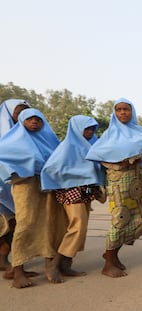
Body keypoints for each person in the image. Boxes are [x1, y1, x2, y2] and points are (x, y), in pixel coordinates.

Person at [86, 98, 142, 278]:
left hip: (138, 180)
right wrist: (122, 160)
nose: (123, 112)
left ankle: (114, 256)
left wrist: (138, 158)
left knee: (140, 216)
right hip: (119, 182)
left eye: (126, 109)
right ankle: (108, 263)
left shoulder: (141, 133)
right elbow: (97, 155)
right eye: (119, 109)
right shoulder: (109, 136)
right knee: (120, 218)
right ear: (114, 113)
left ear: (132, 111)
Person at [0, 108, 66, 288]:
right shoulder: (10, 142)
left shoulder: (50, 141)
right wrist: (26, 169)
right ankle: (18, 271)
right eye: (30, 119)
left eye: (38, 119)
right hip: (25, 186)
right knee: (25, 224)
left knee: (48, 223)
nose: (34, 121)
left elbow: (60, 160)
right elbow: (4, 162)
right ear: (22, 121)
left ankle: (48, 264)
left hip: (47, 187)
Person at [40, 115, 105, 278]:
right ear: (77, 128)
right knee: (78, 225)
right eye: (87, 129)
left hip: (88, 190)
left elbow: (96, 172)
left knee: (82, 227)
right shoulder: (67, 147)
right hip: (71, 190)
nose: (90, 132)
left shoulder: (93, 147)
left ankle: (66, 264)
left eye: (92, 129)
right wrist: (76, 175)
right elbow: (50, 169)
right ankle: (54, 263)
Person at [0, 99, 30, 271]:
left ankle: (6, 257)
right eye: (18, 112)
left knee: (13, 225)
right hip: (2, 188)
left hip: (17, 187)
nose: (20, 116)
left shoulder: (25, 134)